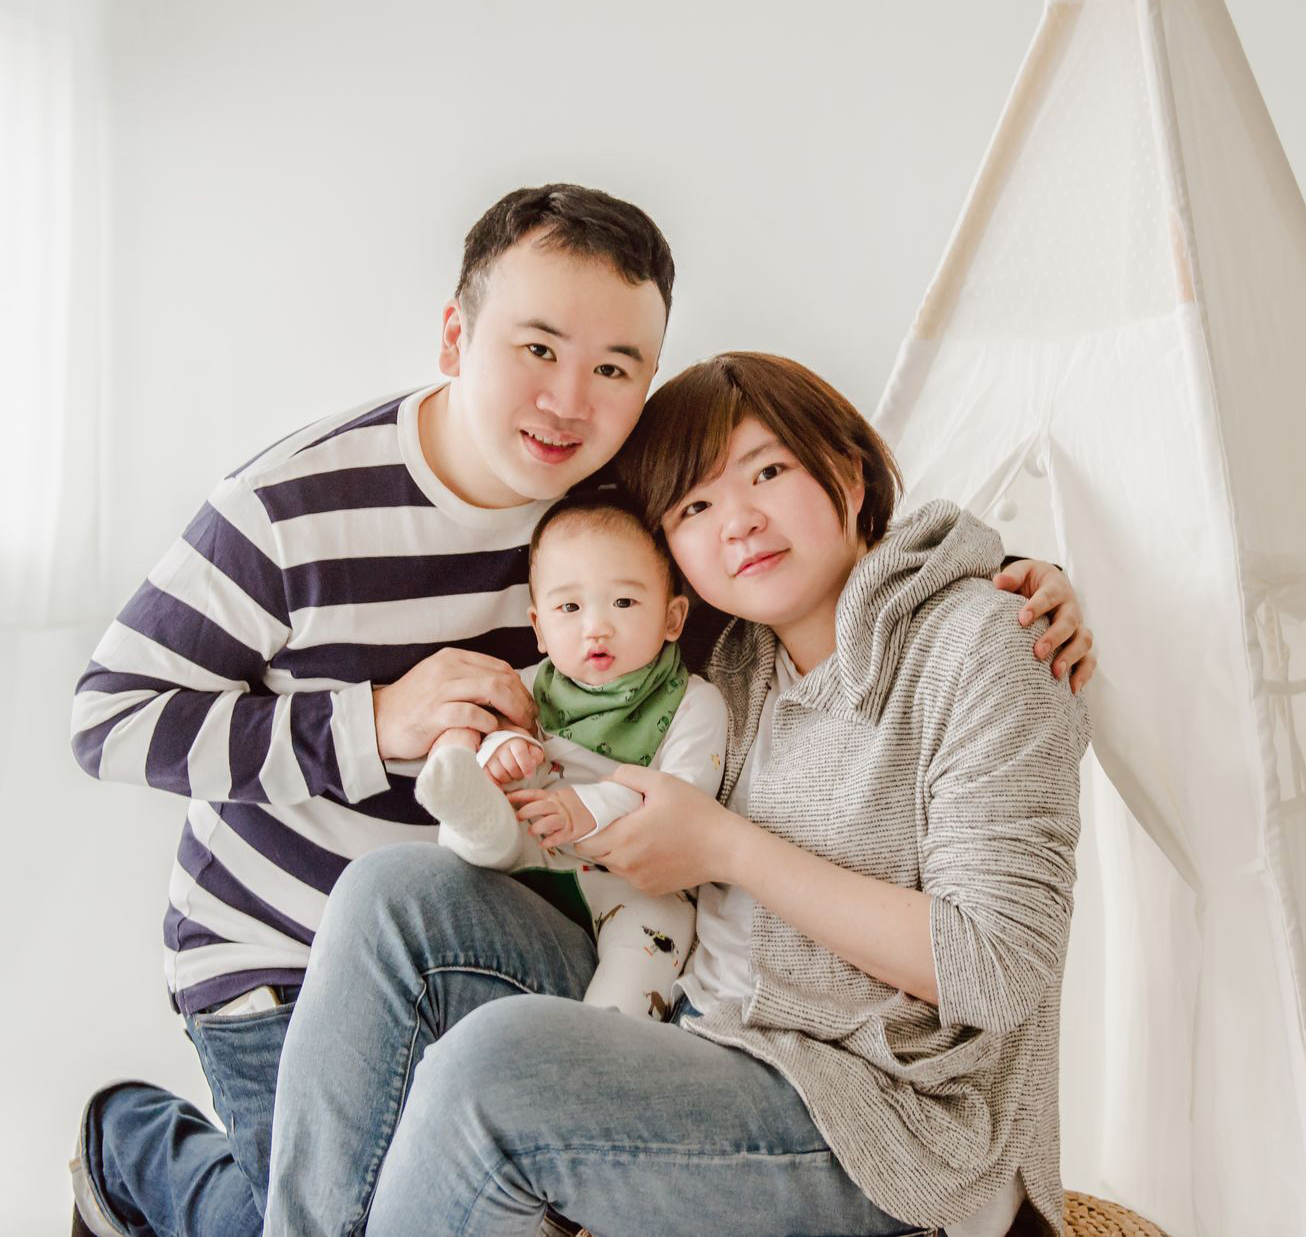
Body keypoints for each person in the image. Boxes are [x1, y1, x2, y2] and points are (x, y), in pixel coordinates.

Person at [65, 186, 1095, 1237]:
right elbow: (106, 718)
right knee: (382, 923)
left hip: (824, 1079)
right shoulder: (292, 508)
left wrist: (1006, 579)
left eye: (613, 368)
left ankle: (166, 1153)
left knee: (479, 1081)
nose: (568, 401)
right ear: (456, 337)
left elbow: (869, 599)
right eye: (537, 348)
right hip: (279, 952)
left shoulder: (622, 514)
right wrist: (374, 721)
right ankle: (142, 1146)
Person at [263, 352, 1091, 1237]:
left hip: (889, 1124)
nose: (738, 522)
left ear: (849, 476)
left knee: (495, 1072)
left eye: (768, 472)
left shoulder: (985, 647)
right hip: (697, 1023)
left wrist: (727, 847)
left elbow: (996, 967)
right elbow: (588, 580)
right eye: (694, 506)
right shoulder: (732, 654)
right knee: (391, 897)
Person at [420, 487, 726, 1019]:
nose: (596, 627)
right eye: (570, 607)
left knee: (655, 937)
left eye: (624, 602)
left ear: (672, 618)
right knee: (486, 800)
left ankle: (601, 1036)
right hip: (530, 851)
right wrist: (504, 750)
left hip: (633, 878)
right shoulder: (525, 689)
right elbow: (498, 740)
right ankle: (474, 820)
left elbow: (685, 801)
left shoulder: (694, 702)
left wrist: (587, 808)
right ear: (539, 628)